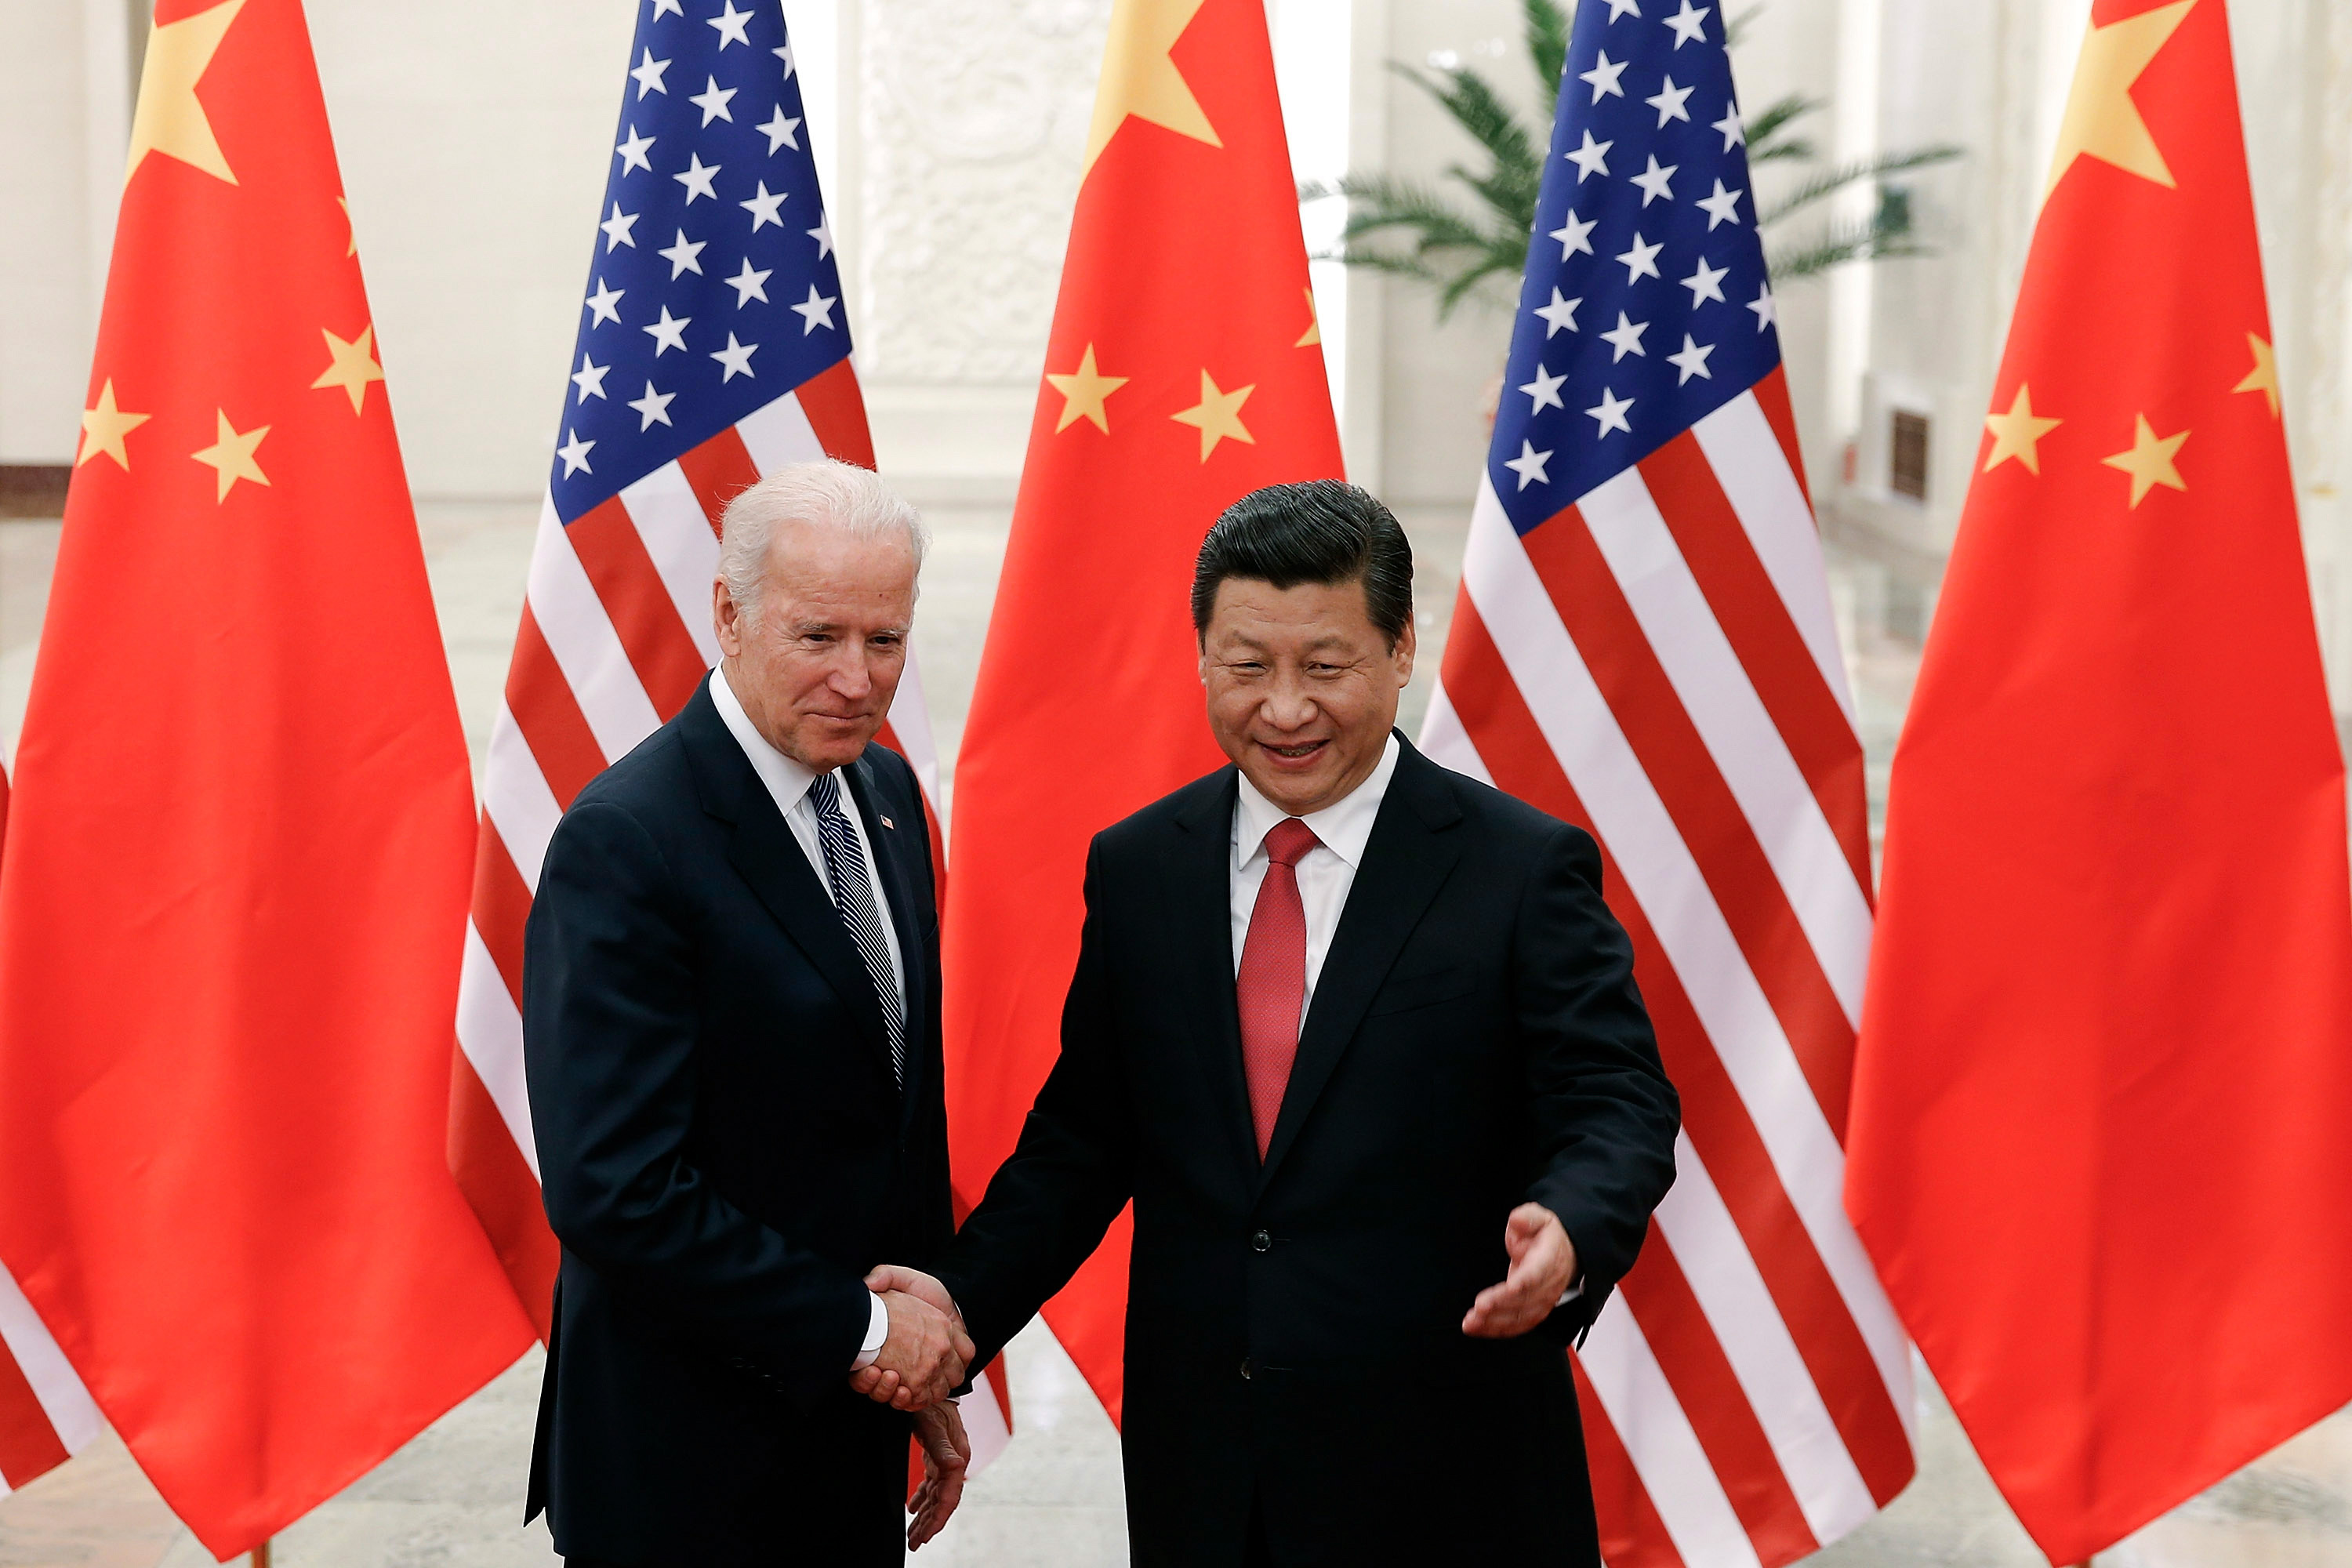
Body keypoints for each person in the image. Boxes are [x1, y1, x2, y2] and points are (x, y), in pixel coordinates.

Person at [863, 479, 1680, 1565]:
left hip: (1448, 1475)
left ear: (1399, 652)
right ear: (1202, 658)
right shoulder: (1143, 866)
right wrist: (952, 1316)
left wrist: (1572, 1223)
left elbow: (1617, 1100)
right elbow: (1084, 1142)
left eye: (1327, 666)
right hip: (1211, 1476)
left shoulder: (1519, 868)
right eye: (1249, 666)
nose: (1286, 708)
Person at [522, 459, 974, 1566]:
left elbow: (890, 1111)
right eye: (819, 637)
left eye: (887, 640)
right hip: (682, 1470)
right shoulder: (629, 840)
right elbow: (615, 1190)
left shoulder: (887, 797)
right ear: (728, 615)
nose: (859, 681)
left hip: (847, 1439)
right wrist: (869, 1331)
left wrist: (916, 1357)